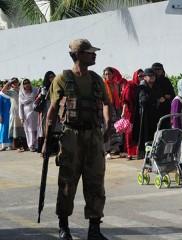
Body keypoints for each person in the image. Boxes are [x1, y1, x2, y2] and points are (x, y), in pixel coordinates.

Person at [42, 39, 111, 240]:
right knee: (67, 182)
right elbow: (52, 112)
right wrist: (47, 141)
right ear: (78, 55)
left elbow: (107, 103)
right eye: (90, 52)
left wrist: (109, 123)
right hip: (71, 136)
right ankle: (64, 227)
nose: (94, 55)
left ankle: (94, 230)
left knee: (96, 182)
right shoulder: (63, 79)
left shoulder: (97, 79)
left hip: (94, 136)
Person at [132, 68, 166, 159]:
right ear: (145, 77)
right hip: (146, 118)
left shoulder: (156, 87)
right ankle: (148, 160)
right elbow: (144, 100)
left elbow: (162, 97)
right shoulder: (142, 88)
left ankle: (155, 158)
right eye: (150, 76)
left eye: (153, 76)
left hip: (156, 116)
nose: (152, 77)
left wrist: (159, 100)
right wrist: (158, 100)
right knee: (147, 138)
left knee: (157, 137)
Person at [121, 69, 143, 160]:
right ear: (135, 76)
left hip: (139, 112)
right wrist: (123, 112)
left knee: (138, 132)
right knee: (129, 133)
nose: (142, 78)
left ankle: (137, 152)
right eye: (140, 76)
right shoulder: (130, 86)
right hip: (130, 112)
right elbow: (126, 100)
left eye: (143, 76)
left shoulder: (142, 86)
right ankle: (129, 154)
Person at [1, 78, 27, 151]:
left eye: (16, 82)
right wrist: (9, 82)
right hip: (14, 112)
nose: (15, 83)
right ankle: (17, 147)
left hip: (23, 112)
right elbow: (2, 91)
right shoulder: (11, 92)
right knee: (15, 130)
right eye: (13, 82)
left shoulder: (22, 91)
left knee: (24, 129)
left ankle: (25, 146)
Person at [103, 67, 123, 160]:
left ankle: (117, 149)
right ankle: (107, 151)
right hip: (106, 109)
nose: (107, 76)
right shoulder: (102, 85)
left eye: (109, 74)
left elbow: (119, 96)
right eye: (106, 74)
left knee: (117, 130)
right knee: (107, 129)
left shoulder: (117, 84)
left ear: (113, 75)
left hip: (116, 109)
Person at [152, 62, 175, 129]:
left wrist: (169, 96)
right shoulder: (153, 81)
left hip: (166, 108)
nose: (159, 71)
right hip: (156, 109)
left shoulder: (166, 80)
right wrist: (163, 96)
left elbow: (172, 93)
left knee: (166, 128)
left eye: (160, 69)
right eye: (157, 69)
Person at [37, 71, 56, 153]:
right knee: (46, 126)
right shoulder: (44, 87)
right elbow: (42, 96)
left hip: (55, 106)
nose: (52, 78)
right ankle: (45, 148)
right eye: (50, 77)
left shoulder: (57, 85)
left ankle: (54, 148)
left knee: (55, 126)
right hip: (46, 107)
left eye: (53, 76)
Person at [19, 79, 39, 152]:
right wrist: (21, 117)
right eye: (25, 83)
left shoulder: (35, 90)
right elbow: (20, 106)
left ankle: (37, 145)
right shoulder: (21, 94)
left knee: (37, 129)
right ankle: (31, 146)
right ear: (23, 85)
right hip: (27, 113)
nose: (26, 84)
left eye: (28, 83)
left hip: (36, 112)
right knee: (29, 130)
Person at [0, 80, 12, 151]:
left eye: (8, 86)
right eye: (6, 85)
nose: (7, 87)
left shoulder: (12, 94)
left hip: (12, 114)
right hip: (4, 115)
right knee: (4, 129)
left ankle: (10, 145)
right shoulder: (1, 95)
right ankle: (3, 145)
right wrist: (0, 116)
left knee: (11, 129)